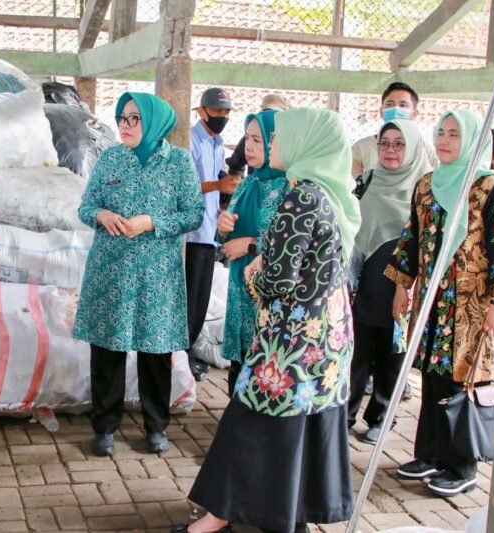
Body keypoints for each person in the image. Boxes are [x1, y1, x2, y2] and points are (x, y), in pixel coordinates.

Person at [172, 108, 360, 533]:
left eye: (275, 139)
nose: (269, 146)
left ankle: (223, 516)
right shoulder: (331, 193)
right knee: (297, 430)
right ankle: (284, 516)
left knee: (254, 421)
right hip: (325, 340)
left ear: (302, 144)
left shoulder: (301, 196)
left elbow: (277, 278)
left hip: (290, 343)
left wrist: (257, 267)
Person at [387, 110, 494, 497]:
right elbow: (411, 238)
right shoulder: (427, 184)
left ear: (472, 140)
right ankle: (430, 454)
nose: (444, 140)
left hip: (472, 307)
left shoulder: (491, 188)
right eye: (441, 132)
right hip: (432, 301)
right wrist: (401, 287)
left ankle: (462, 464)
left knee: (464, 379)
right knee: (430, 375)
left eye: (454, 134)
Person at [73, 92, 204, 457]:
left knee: (155, 352)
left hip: (157, 274)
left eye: (134, 119)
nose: (125, 126)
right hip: (111, 270)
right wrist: (101, 216)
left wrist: (153, 223)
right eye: (122, 118)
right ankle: (104, 428)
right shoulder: (111, 158)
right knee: (107, 352)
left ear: (154, 123)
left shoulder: (177, 162)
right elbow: (86, 206)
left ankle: (156, 427)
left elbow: (193, 214)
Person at [347, 120, 431, 444]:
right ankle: (346, 413)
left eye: (399, 144)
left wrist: (405, 286)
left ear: (412, 149)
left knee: (391, 350)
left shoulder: (424, 188)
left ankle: (382, 416)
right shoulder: (367, 179)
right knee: (357, 347)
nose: (391, 150)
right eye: (385, 143)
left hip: (398, 279)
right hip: (364, 275)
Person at [217, 109, 289, 396]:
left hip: (268, 292)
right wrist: (223, 227)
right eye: (247, 139)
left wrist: (249, 244)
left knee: (263, 361)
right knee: (239, 362)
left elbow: (293, 244)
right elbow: (225, 233)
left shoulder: (290, 187)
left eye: (258, 140)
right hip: (240, 286)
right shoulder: (249, 182)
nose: (249, 147)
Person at [186, 87, 240, 381]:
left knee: (201, 300)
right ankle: (180, 356)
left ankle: (188, 352)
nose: (222, 117)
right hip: (192, 234)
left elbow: (217, 183)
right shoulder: (191, 141)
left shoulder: (218, 144)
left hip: (210, 231)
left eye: (226, 113)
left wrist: (226, 188)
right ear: (202, 111)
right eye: (217, 112)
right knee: (190, 298)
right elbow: (183, 187)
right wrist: (217, 186)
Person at [351, 82, 438, 178]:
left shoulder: (425, 150)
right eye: (389, 104)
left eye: (403, 105)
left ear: (414, 114)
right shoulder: (361, 148)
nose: (396, 109)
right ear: (381, 112)